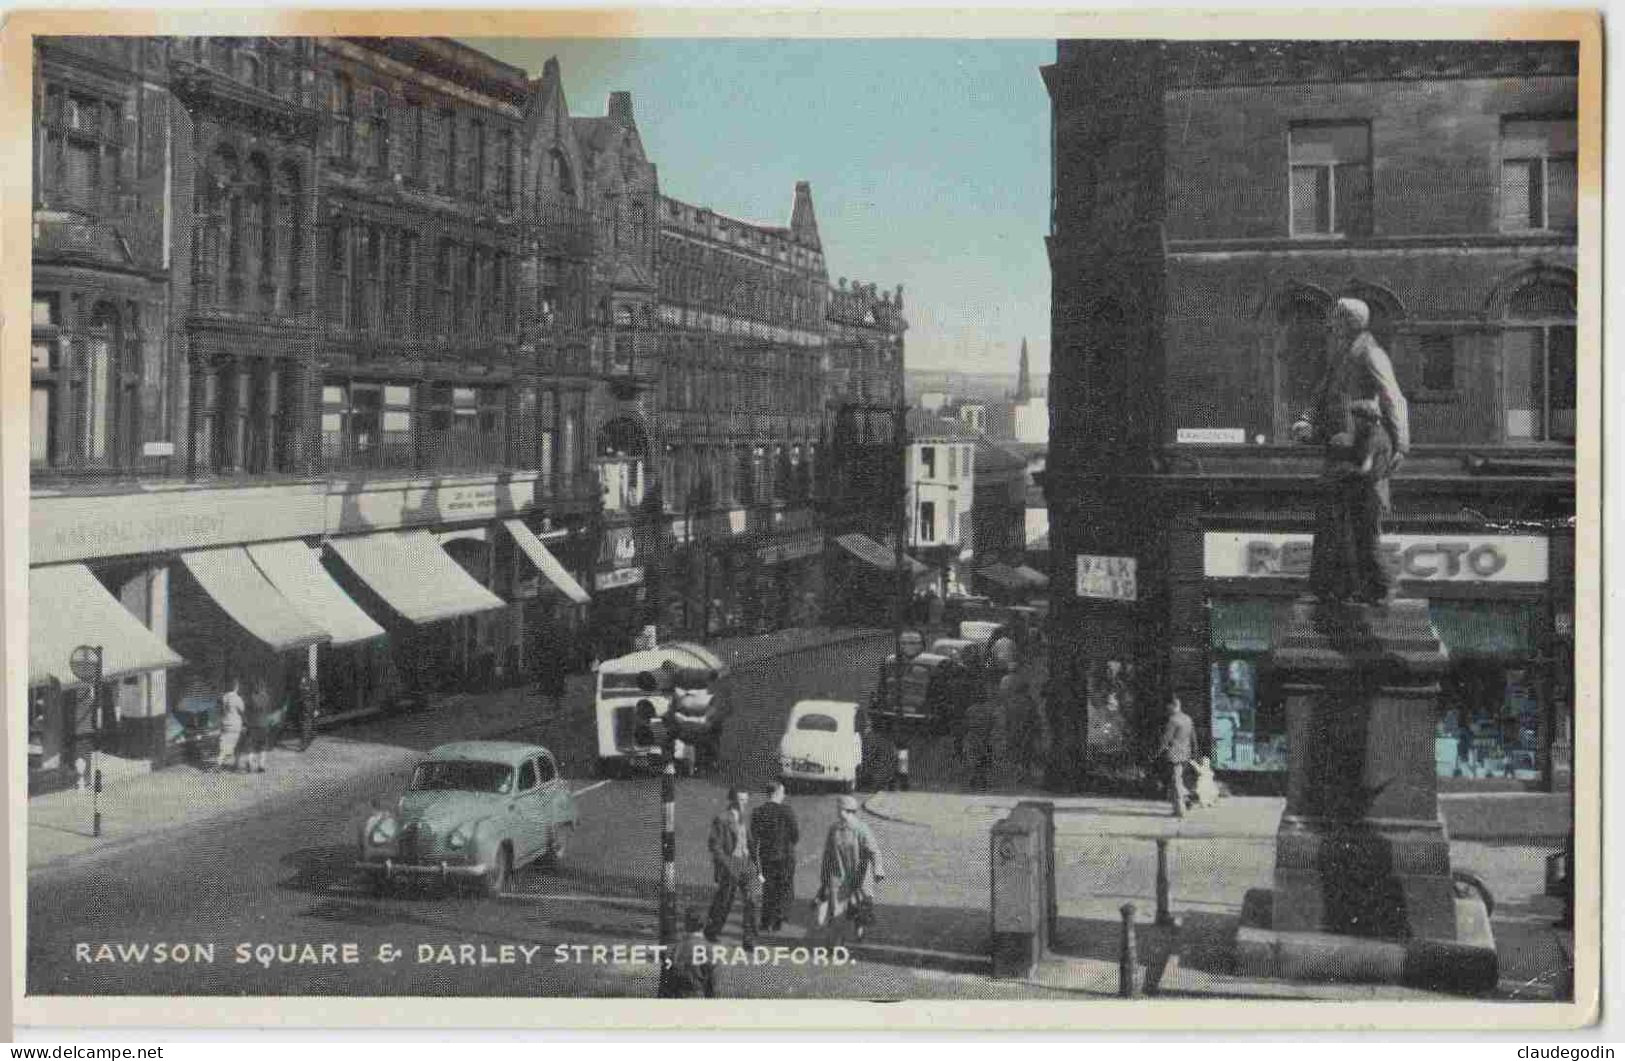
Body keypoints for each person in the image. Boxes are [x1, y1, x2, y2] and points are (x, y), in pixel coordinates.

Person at [1291, 297, 1409, 605]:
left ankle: (1374, 589)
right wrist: (1306, 421)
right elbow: (1321, 396)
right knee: (1334, 521)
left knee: (1360, 521)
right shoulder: (1342, 354)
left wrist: (1402, 445)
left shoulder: (1371, 353)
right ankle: (1335, 588)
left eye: (1336, 318)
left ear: (1348, 321)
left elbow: (1393, 398)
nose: (1331, 323)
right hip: (1341, 451)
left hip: (1364, 450)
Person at [817, 794, 885, 942]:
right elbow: (827, 855)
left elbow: (874, 851)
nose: (836, 811)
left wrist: (877, 869)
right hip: (839, 876)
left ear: (847, 810)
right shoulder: (834, 829)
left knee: (859, 908)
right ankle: (837, 942)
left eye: (839, 808)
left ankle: (859, 931)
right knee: (836, 911)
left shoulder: (861, 829)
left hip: (859, 876)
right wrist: (824, 879)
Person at [703, 787, 759, 947]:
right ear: (732, 800)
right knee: (725, 899)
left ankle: (750, 939)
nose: (743, 803)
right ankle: (711, 931)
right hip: (731, 863)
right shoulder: (721, 819)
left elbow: (750, 841)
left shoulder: (745, 818)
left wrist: (757, 863)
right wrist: (726, 865)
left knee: (752, 899)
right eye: (740, 800)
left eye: (745, 800)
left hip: (746, 862)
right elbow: (715, 846)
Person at [749, 780, 800, 932]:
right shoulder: (787, 811)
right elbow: (795, 835)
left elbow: (754, 838)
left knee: (768, 889)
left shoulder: (758, 812)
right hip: (786, 857)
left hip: (767, 857)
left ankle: (766, 922)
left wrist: (756, 860)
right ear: (777, 793)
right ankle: (778, 920)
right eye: (783, 792)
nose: (784, 795)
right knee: (784, 887)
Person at [657, 909, 717, 998]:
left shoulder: (673, 949)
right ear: (704, 926)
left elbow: (665, 985)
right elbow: (712, 984)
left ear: (686, 924)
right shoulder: (709, 950)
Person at [1156, 696, 1196, 818]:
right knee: (1178, 779)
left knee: (1176, 781)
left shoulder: (1173, 720)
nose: (1167, 709)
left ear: (1174, 706)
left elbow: (1166, 739)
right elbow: (1193, 737)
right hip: (1185, 754)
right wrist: (1194, 751)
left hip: (1174, 754)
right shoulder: (1188, 719)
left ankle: (1180, 809)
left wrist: (1157, 752)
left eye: (1169, 707)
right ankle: (1186, 800)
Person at [215, 677, 246, 771]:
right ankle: (236, 764)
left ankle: (219, 764)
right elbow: (242, 710)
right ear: (236, 687)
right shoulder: (237, 698)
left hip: (225, 722)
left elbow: (220, 710)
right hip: (235, 724)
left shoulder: (224, 697)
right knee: (237, 744)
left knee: (224, 744)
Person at [243, 677, 272, 773]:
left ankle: (250, 765)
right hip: (264, 724)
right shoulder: (267, 697)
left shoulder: (250, 698)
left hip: (252, 724)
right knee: (263, 746)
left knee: (251, 746)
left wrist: (245, 723)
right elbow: (268, 711)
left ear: (255, 687)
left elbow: (246, 712)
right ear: (263, 687)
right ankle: (261, 766)